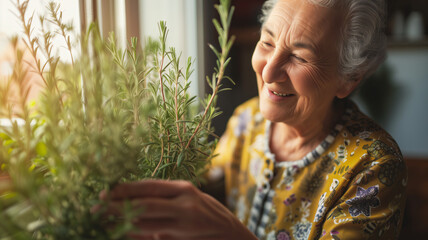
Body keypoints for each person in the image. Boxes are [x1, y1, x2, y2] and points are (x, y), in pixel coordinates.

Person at [103, 0, 407, 239]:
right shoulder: (246, 120)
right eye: (267, 43)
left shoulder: (373, 165)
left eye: (300, 57)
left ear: (348, 78)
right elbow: (201, 185)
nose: (269, 71)